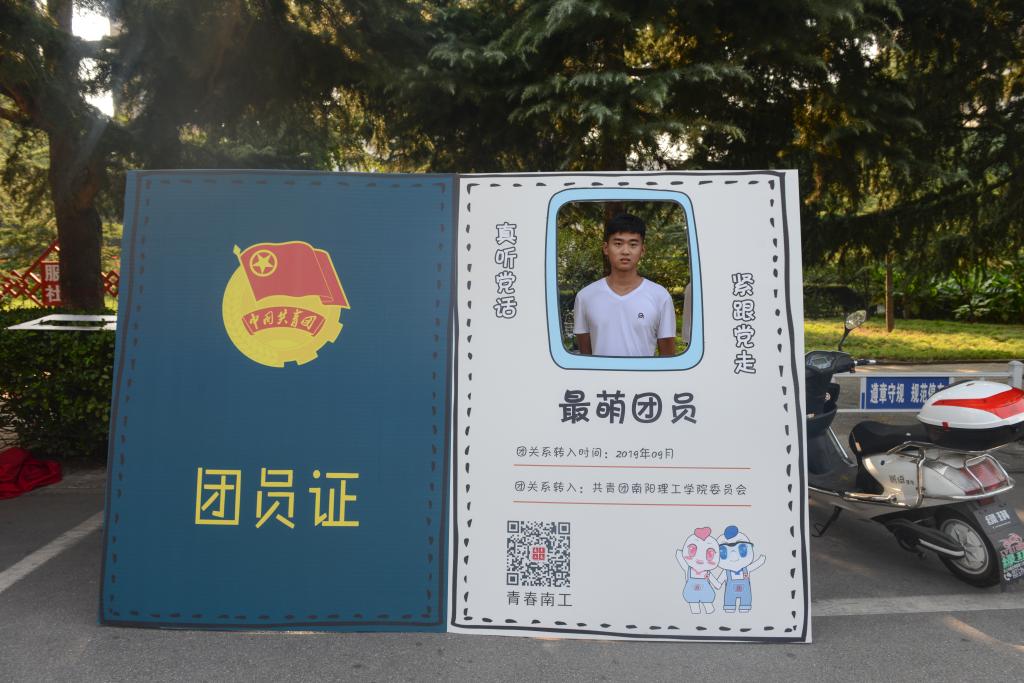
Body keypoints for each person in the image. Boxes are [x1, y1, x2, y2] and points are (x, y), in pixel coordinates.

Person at [573, 213, 677, 357]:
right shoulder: (585, 296)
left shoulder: (660, 296)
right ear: (606, 248)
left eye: (633, 244)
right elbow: (586, 356)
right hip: (600, 373)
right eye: (618, 244)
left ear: (642, 250)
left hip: (643, 373)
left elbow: (668, 357)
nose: (625, 251)